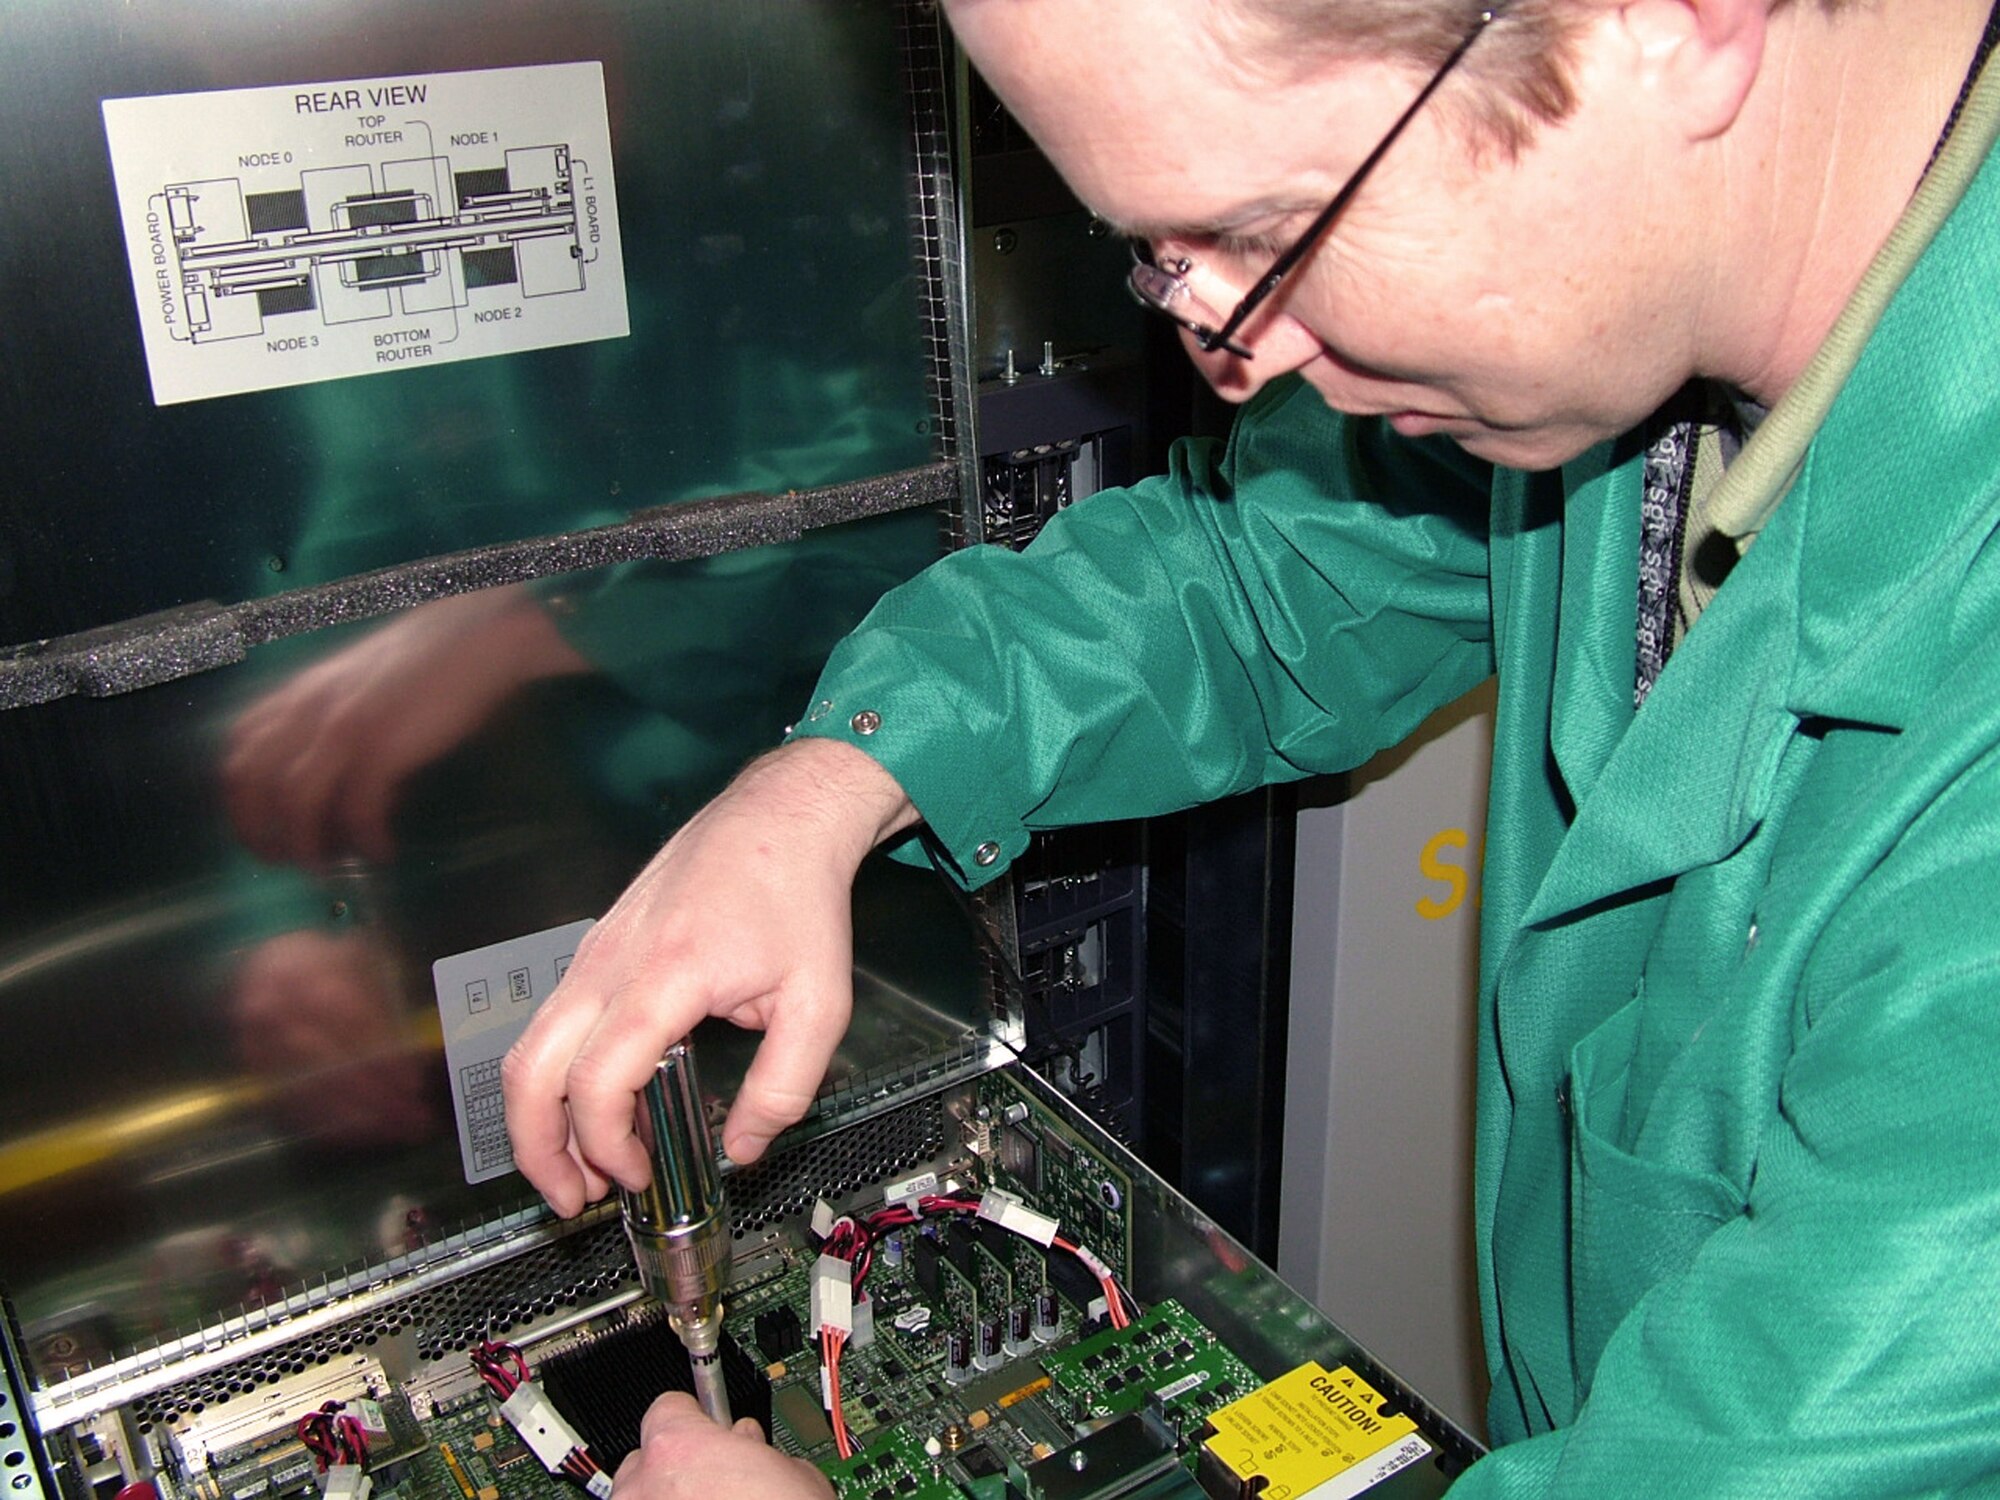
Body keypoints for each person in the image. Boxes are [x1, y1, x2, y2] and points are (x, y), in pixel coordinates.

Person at [505, 0, 2000, 1490]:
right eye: (1165, 257)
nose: (1238, 358)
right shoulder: (1643, 331)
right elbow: (1263, 576)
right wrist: (833, 780)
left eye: (1271, 231)